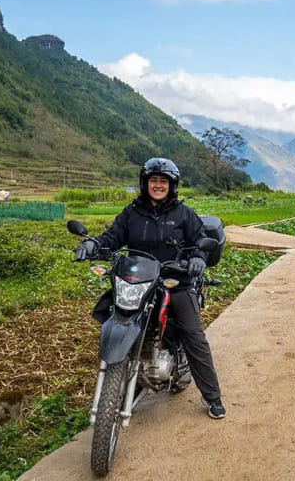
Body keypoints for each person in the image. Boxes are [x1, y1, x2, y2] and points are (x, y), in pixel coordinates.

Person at [74, 158, 226, 419]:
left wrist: (198, 260)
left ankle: (213, 397)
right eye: (153, 180)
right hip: (139, 280)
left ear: (172, 186)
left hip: (175, 281)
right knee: (114, 316)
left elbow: (199, 241)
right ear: (145, 184)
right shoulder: (132, 212)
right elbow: (112, 238)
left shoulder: (183, 214)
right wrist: (93, 246)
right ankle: (122, 380)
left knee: (193, 335)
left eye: (163, 181)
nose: (158, 185)